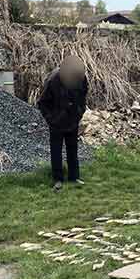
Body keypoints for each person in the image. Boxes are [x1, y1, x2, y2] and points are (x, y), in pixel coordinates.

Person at [38, 54, 88, 192]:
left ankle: (74, 177)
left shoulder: (81, 79)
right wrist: (52, 120)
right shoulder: (53, 80)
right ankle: (57, 179)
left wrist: (79, 113)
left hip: (73, 120)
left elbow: (83, 98)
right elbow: (42, 103)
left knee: (73, 149)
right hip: (57, 122)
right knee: (56, 151)